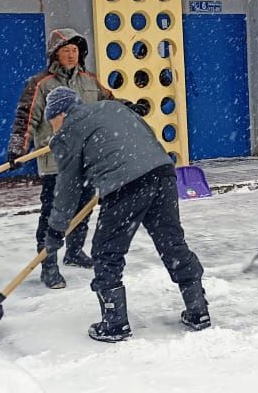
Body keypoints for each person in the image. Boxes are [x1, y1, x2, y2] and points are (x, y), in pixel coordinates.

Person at [42, 86, 210, 343]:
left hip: (126, 185)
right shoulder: (112, 107)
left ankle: (114, 323)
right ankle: (198, 309)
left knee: (107, 251)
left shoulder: (68, 131)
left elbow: (67, 188)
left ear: (60, 114)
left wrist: (55, 232)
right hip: (162, 172)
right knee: (171, 242)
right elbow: (144, 137)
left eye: (51, 121)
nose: (52, 128)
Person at [7, 28, 110, 290]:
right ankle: (48, 263)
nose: (71, 55)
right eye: (66, 50)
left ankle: (74, 252)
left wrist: (131, 108)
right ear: (55, 53)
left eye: (75, 50)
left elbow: (109, 105)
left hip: (86, 158)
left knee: (83, 209)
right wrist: (18, 147)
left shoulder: (89, 80)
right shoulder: (40, 84)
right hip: (55, 161)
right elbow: (26, 118)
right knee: (52, 215)